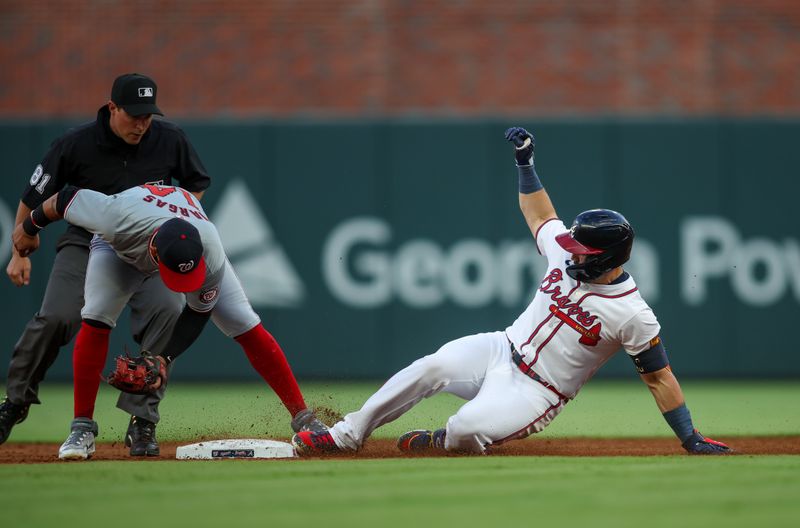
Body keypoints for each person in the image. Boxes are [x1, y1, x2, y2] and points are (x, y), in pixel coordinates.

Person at [291, 126, 732, 456]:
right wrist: (525, 164)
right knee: (431, 366)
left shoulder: (633, 315)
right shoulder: (564, 257)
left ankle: (443, 441)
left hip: (537, 391)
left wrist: (689, 437)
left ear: (607, 257)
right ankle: (344, 436)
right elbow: (540, 214)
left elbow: (659, 378)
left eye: (582, 251)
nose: (572, 254)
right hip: (499, 348)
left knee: (465, 429)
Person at [12, 182, 326, 460]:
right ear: (155, 252)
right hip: (118, 248)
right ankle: (81, 428)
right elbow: (64, 198)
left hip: (179, 223)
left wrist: (164, 358)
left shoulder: (210, 248)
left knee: (245, 322)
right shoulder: (113, 217)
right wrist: (29, 227)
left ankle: (306, 420)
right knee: (96, 316)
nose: (185, 281)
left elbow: (198, 312)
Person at [0, 73, 211, 456]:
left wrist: (178, 219)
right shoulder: (74, 143)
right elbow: (35, 197)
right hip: (85, 243)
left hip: (149, 247)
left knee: (168, 308)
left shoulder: (169, 138)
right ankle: (15, 401)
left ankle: (142, 421)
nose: (143, 123)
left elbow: (196, 184)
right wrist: (19, 250)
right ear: (112, 108)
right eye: (134, 115)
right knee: (58, 316)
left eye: (149, 115)